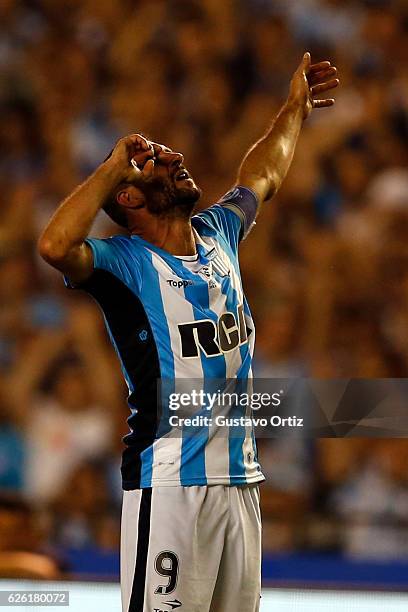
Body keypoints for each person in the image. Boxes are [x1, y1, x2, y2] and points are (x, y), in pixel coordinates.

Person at [39, 53, 338, 612]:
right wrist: (111, 165)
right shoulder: (123, 264)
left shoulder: (218, 233)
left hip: (241, 485)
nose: (174, 157)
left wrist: (294, 108)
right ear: (128, 198)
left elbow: (263, 175)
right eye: (154, 163)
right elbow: (54, 246)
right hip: (171, 485)